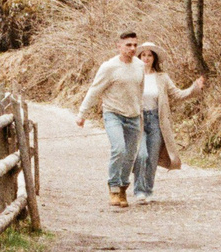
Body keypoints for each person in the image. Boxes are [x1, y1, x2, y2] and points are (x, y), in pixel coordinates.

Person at [74, 30, 148, 208]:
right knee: (119, 148)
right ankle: (113, 188)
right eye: (128, 45)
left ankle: (123, 189)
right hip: (113, 113)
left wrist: (140, 112)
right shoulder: (109, 67)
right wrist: (82, 114)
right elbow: (95, 90)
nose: (132, 48)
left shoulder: (139, 66)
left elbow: (140, 90)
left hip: (133, 115)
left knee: (131, 154)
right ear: (119, 46)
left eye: (135, 45)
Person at [132, 43, 203, 203]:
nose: (146, 58)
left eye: (149, 55)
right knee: (141, 155)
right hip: (139, 120)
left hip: (157, 121)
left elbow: (177, 94)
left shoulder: (162, 77)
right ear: (139, 57)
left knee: (152, 158)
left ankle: (147, 191)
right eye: (143, 55)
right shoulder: (134, 76)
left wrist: (195, 88)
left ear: (154, 58)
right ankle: (138, 190)